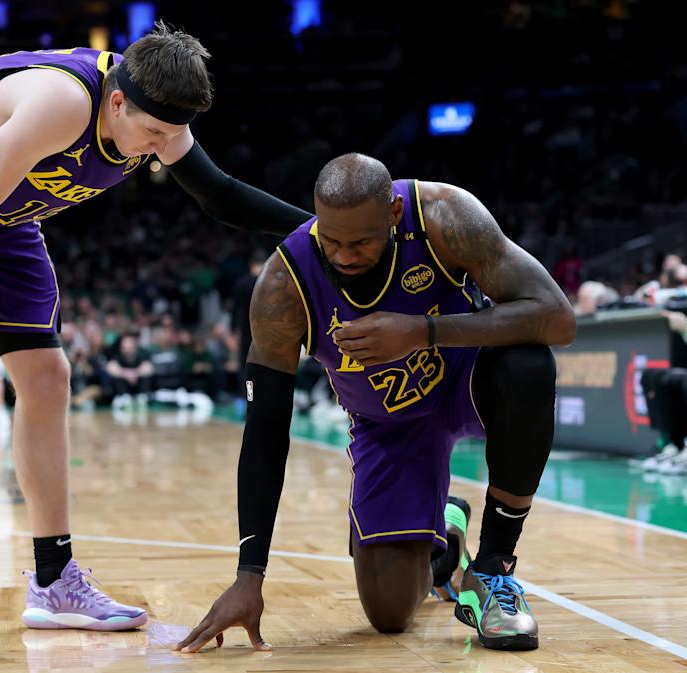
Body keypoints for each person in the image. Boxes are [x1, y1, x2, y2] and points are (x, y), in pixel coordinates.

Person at [0, 22, 309, 660]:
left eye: (169, 138)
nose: (158, 151)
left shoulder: (157, 115)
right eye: (152, 136)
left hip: (2, 215)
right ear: (118, 101)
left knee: (48, 378)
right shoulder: (62, 103)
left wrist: (321, 234)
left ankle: (52, 582)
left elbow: (219, 196)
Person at [176, 154, 576, 654]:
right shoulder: (283, 285)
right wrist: (248, 576)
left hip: (466, 380)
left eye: (361, 242)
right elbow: (266, 430)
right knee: (388, 615)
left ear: (393, 213)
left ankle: (493, 569)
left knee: (529, 366)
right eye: (333, 240)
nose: (344, 256)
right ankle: (445, 533)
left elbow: (558, 318)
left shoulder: (445, 217)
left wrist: (423, 332)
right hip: (386, 424)